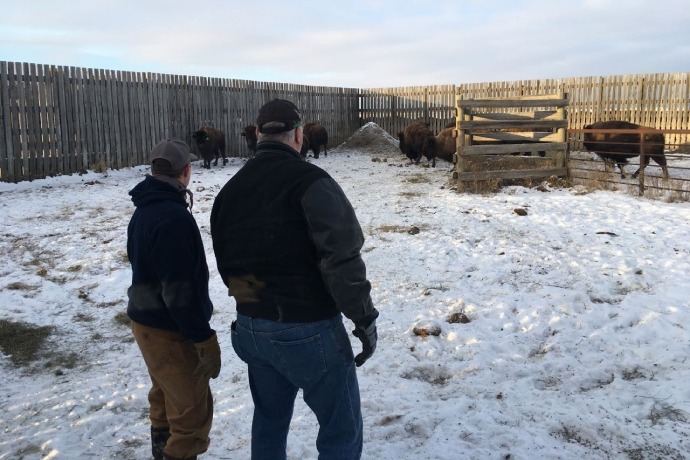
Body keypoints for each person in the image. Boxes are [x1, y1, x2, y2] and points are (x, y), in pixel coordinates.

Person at [210, 99, 379, 460]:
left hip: (251, 327)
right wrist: (364, 318)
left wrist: (255, 308)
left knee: (269, 420)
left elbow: (226, 263)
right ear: (300, 136)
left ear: (257, 135)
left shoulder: (229, 192)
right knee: (341, 427)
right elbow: (343, 259)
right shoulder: (312, 182)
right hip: (307, 328)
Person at [127, 139, 221, 460]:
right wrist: (202, 337)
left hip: (145, 322)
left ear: (154, 170)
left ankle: (159, 450)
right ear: (186, 171)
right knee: (191, 415)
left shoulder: (145, 208)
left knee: (165, 397)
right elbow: (180, 291)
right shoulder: (172, 217)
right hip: (169, 330)